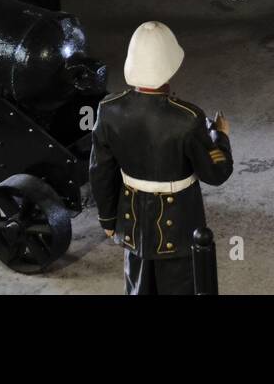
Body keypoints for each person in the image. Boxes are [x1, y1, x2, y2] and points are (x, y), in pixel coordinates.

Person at [90, 21, 234, 295]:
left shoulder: (108, 110)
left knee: (138, 287)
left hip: (132, 223)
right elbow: (216, 173)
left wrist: (108, 221)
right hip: (178, 225)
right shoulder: (188, 118)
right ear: (170, 66)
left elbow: (100, 172)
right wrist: (220, 137)